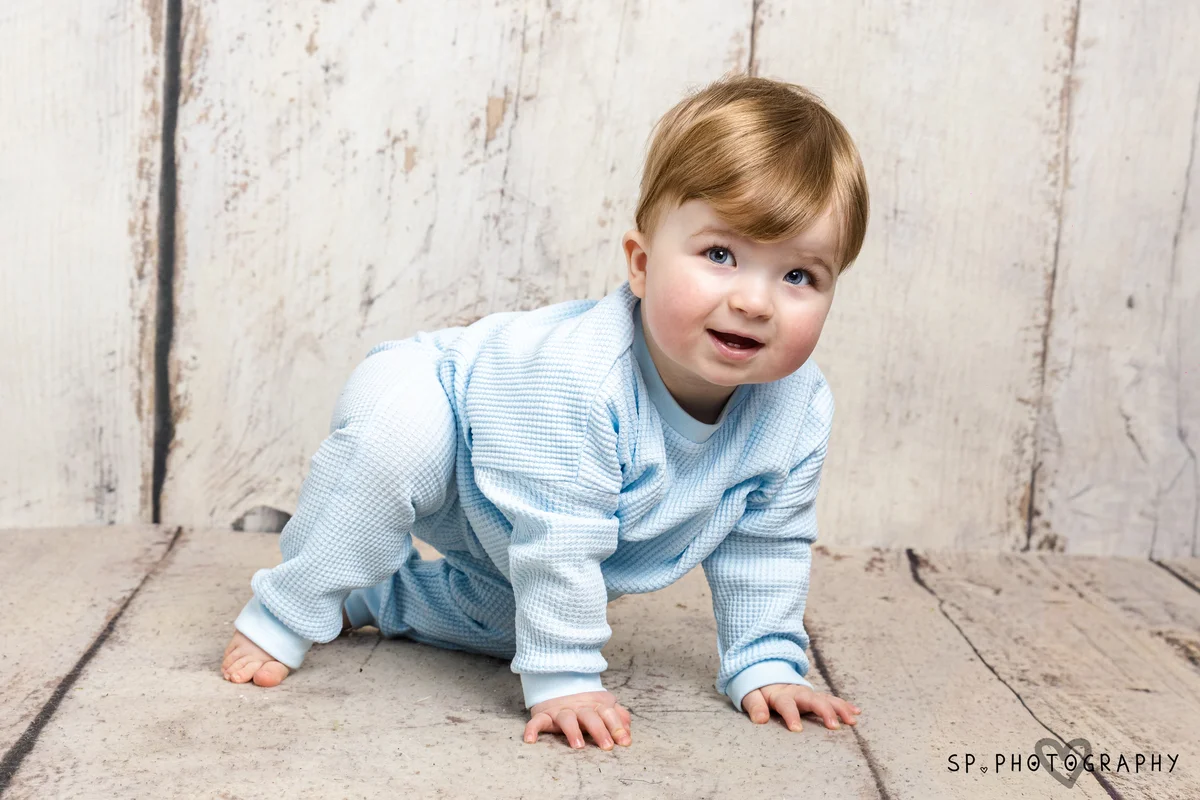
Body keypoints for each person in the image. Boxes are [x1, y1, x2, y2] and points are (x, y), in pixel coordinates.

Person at [221, 72, 868, 751]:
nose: (756, 302)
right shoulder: (584, 378)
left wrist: (765, 661)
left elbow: (767, 542)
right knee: (396, 444)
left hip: (516, 520)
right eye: (720, 254)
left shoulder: (796, 410)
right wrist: (565, 677)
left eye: (799, 275)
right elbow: (559, 535)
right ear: (642, 266)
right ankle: (287, 609)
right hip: (450, 408)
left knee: (513, 618)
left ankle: (375, 597)